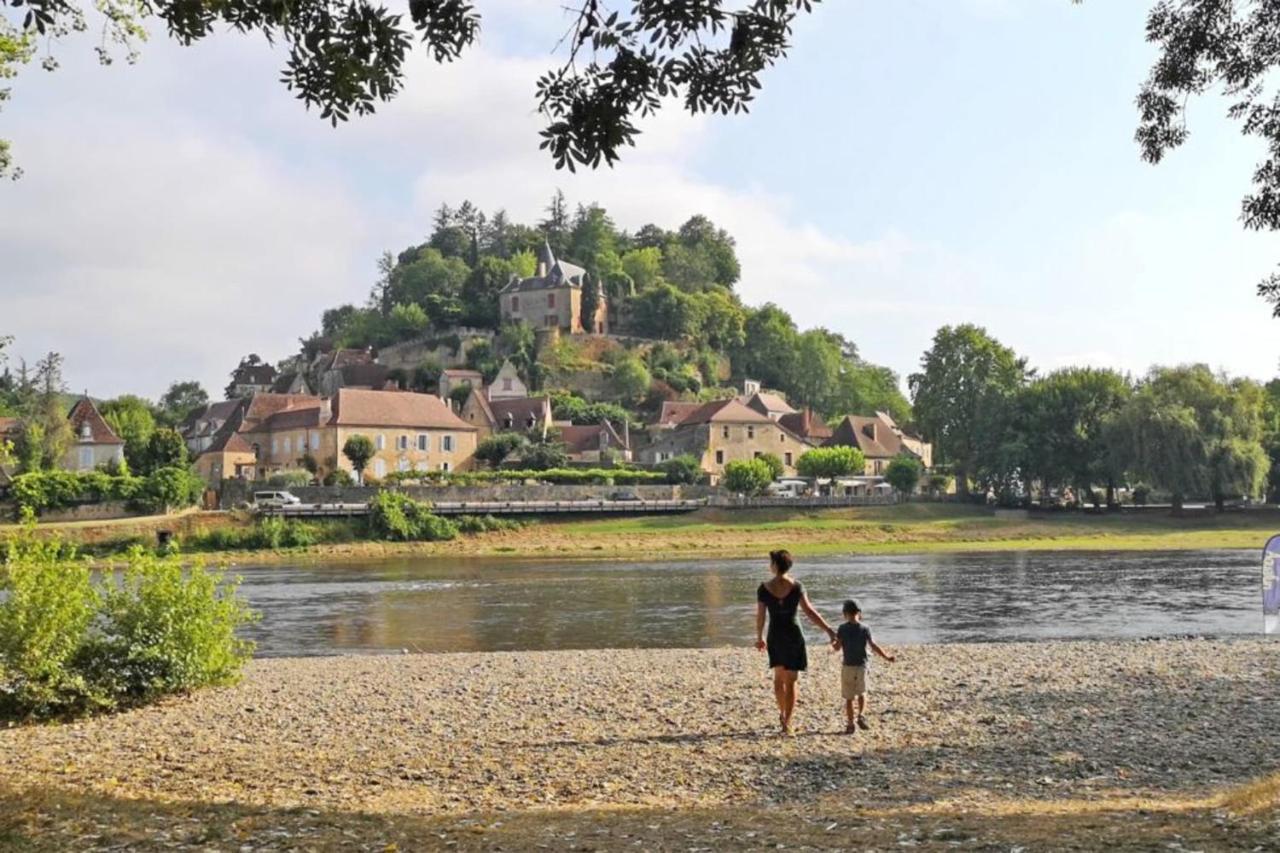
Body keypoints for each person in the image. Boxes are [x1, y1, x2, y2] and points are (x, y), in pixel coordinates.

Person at [755, 549, 838, 736]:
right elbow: (809, 612)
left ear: (774, 566)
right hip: (794, 634)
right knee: (791, 681)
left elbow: (760, 616)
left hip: (775, 634)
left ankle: (783, 714)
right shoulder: (797, 586)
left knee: (778, 679)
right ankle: (788, 721)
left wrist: (759, 637)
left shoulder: (763, 588)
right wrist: (829, 630)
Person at [833, 599, 895, 734]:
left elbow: (837, 648)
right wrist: (886, 657)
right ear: (860, 613)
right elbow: (873, 646)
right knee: (862, 693)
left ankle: (850, 724)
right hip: (862, 665)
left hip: (848, 666)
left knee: (849, 698)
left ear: (845, 614)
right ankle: (861, 715)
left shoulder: (842, 628)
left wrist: (833, 642)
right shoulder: (865, 628)